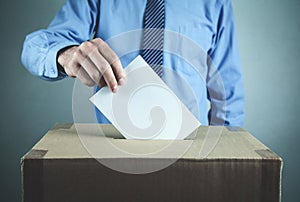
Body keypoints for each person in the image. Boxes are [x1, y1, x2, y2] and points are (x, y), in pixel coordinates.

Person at [21, 0, 244, 126]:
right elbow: (35, 47)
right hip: (112, 146)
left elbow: (227, 92)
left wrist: (224, 161)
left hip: (190, 149)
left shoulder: (215, 4)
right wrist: (66, 53)